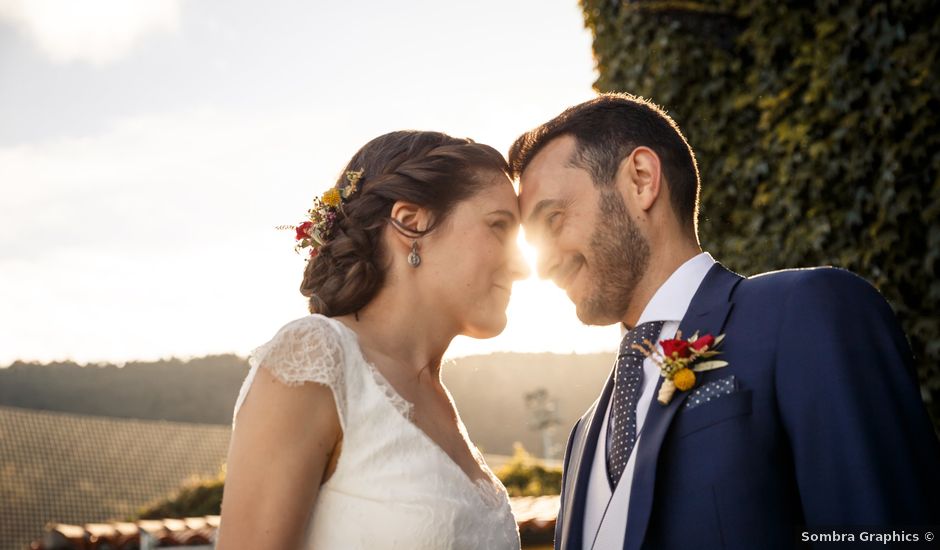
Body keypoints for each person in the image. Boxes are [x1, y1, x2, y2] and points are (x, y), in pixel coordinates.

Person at [509, 93, 940, 550]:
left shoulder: (806, 313)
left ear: (641, 180)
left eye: (553, 219)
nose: (543, 265)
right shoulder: (583, 438)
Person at [218, 130, 528, 549]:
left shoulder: (439, 400)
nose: (523, 268)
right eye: (498, 226)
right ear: (410, 222)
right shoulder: (316, 357)